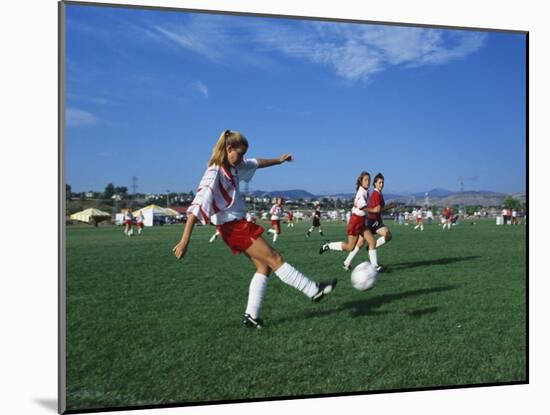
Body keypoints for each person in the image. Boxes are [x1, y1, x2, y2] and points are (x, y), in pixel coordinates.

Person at [172, 130, 337, 329]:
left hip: (236, 226)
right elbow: (196, 207)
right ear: (228, 148)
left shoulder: (233, 167)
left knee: (264, 267)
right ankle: (313, 290)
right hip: (233, 227)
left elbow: (256, 162)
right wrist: (184, 241)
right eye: (239, 154)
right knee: (275, 258)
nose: (242, 159)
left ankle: (251, 316)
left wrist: (278, 160)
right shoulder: (214, 173)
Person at [319, 171, 375, 271]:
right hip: (355, 222)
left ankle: (374, 267)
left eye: (369, 180)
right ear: (361, 181)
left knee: (370, 241)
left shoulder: (366, 192)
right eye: (366, 180)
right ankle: (328, 245)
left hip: (362, 222)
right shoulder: (361, 192)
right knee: (350, 247)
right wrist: (374, 210)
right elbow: (363, 208)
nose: (368, 182)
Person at [364, 173, 396, 272]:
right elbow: (378, 210)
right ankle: (375, 266)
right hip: (370, 221)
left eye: (383, 182)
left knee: (388, 235)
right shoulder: (375, 194)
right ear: (375, 184)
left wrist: (388, 207)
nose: (382, 184)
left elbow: (379, 209)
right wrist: (390, 206)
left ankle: (372, 257)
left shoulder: (379, 194)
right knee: (354, 246)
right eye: (380, 182)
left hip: (377, 222)